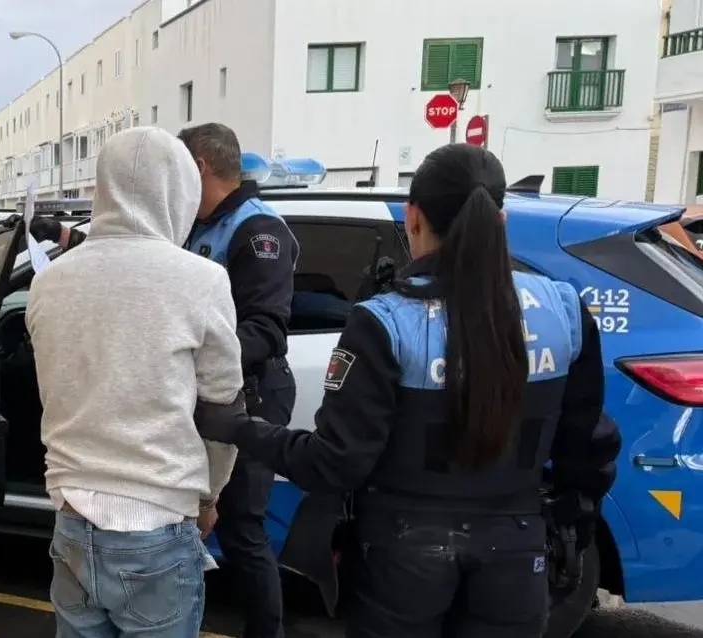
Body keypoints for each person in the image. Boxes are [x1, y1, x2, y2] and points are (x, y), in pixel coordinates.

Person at [192, 143, 621, 638]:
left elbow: (334, 463)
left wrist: (237, 427)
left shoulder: (387, 322)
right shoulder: (563, 310)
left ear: (413, 217)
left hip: (402, 562)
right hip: (517, 556)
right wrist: (566, 528)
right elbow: (587, 449)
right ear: (501, 221)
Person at [31, 122, 299, 638]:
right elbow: (222, 411)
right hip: (157, 522)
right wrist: (209, 498)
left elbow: (56, 394)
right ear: (180, 186)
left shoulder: (50, 283)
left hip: (71, 517)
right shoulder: (201, 280)